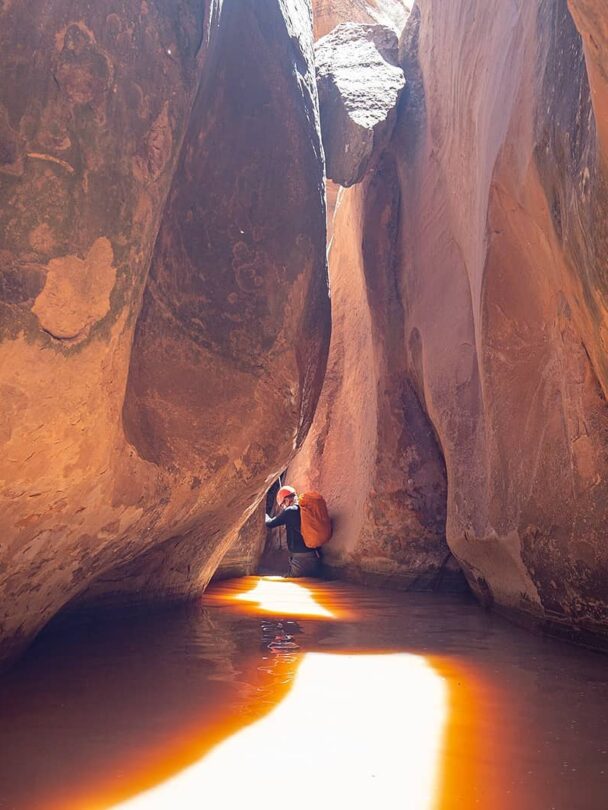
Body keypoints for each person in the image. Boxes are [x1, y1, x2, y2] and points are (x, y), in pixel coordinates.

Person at [265, 485, 321, 578]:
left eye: (283, 504)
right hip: (315, 557)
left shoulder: (290, 511)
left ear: (287, 500)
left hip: (301, 560)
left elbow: (270, 523)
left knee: (290, 583)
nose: (283, 507)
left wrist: (264, 514)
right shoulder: (304, 509)